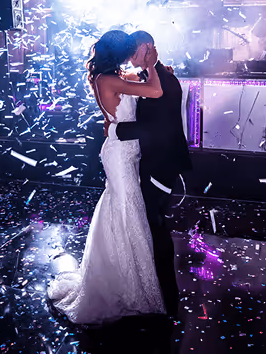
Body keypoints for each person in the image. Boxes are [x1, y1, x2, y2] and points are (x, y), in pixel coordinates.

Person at [47, 30, 166, 324]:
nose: (130, 55)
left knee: (124, 208)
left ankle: (128, 278)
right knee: (126, 209)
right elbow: (155, 91)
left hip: (126, 149)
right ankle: (126, 285)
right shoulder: (109, 79)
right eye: (128, 50)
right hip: (120, 154)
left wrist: (151, 68)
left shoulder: (113, 76)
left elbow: (132, 92)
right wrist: (152, 65)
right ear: (118, 53)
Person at [105, 30, 192, 317]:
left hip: (160, 165)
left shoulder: (162, 80)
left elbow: (157, 129)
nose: (130, 58)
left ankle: (166, 295)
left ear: (146, 48)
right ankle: (156, 287)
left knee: (156, 226)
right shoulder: (153, 76)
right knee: (151, 224)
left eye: (134, 52)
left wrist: (116, 130)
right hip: (152, 161)